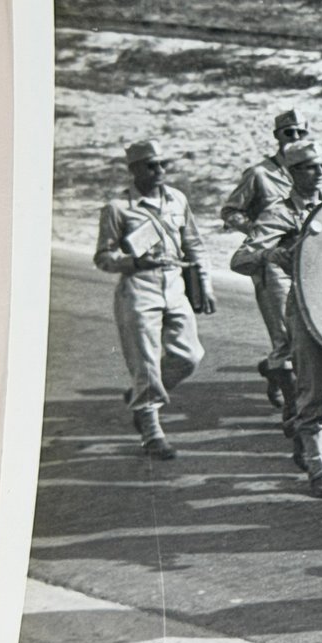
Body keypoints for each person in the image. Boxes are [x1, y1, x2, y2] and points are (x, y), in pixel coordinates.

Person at [246, 140, 322, 497]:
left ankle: (300, 424)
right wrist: (272, 254)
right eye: (310, 167)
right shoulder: (278, 214)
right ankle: (317, 467)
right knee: (312, 387)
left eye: (321, 165)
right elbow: (241, 258)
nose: (319, 172)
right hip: (305, 306)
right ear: (293, 172)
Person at [94, 139, 207, 460]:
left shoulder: (177, 199)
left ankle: (141, 397)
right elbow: (103, 257)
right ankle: (151, 430)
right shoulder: (118, 208)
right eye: (150, 165)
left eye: (162, 164)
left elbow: (194, 244)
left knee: (189, 356)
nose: (159, 170)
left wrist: (205, 284)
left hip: (174, 286)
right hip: (139, 288)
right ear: (134, 170)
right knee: (145, 361)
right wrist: (133, 262)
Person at [220, 107, 307, 409]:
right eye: (288, 132)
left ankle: (275, 370)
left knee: (305, 334)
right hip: (270, 263)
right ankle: (295, 407)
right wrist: (258, 231)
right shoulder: (260, 174)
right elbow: (230, 211)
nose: (295, 137)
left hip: (303, 262)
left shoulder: (310, 171)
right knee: (284, 335)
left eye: (300, 132)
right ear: (277, 136)